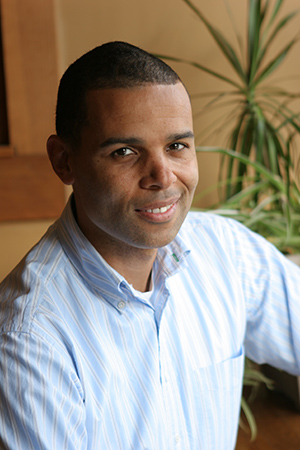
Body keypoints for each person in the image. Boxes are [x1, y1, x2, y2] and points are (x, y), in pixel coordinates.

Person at [0, 41, 299, 450]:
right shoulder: (28, 338)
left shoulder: (226, 251)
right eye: (125, 151)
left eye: (177, 146)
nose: (163, 176)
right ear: (64, 161)